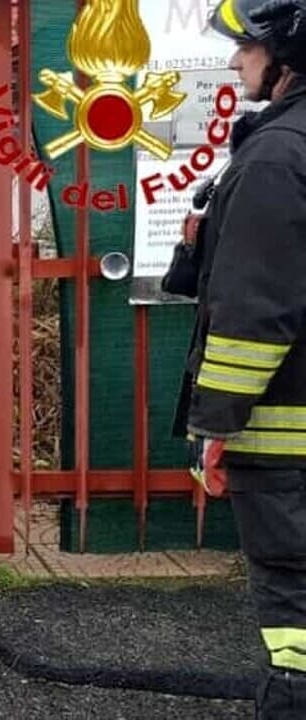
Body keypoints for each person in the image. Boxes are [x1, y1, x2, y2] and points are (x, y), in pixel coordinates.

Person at [175, 2, 306, 715]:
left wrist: (214, 427)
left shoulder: (278, 155)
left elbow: (255, 313)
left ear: (287, 54)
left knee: (293, 595)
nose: (235, 61)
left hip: (283, 435)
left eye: (247, 47)